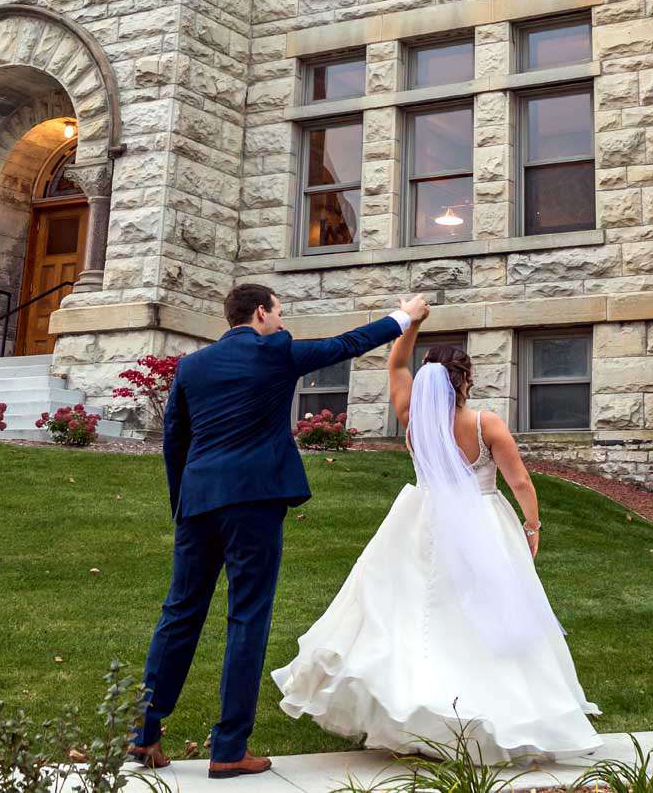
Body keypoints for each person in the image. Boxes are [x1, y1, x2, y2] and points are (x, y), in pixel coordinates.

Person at [129, 283, 431, 779]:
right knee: (246, 618)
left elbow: (174, 441)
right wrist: (404, 317)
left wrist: (181, 503)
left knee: (179, 613)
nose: (283, 321)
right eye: (280, 312)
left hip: (198, 502)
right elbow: (345, 345)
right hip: (254, 503)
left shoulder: (191, 366)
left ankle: (143, 736)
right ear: (261, 313)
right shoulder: (274, 350)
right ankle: (228, 748)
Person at [271, 321, 601, 763]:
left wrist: (410, 322)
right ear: (465, 380)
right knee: (486, 617)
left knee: (411, 615)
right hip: (483, 520)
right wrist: (532, 526)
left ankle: (419, 714)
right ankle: (500, 715)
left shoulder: (412, 420)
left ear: (428, 380)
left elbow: (396, 362)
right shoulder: (487, 424)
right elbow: (519, 481)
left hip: (420, 520)